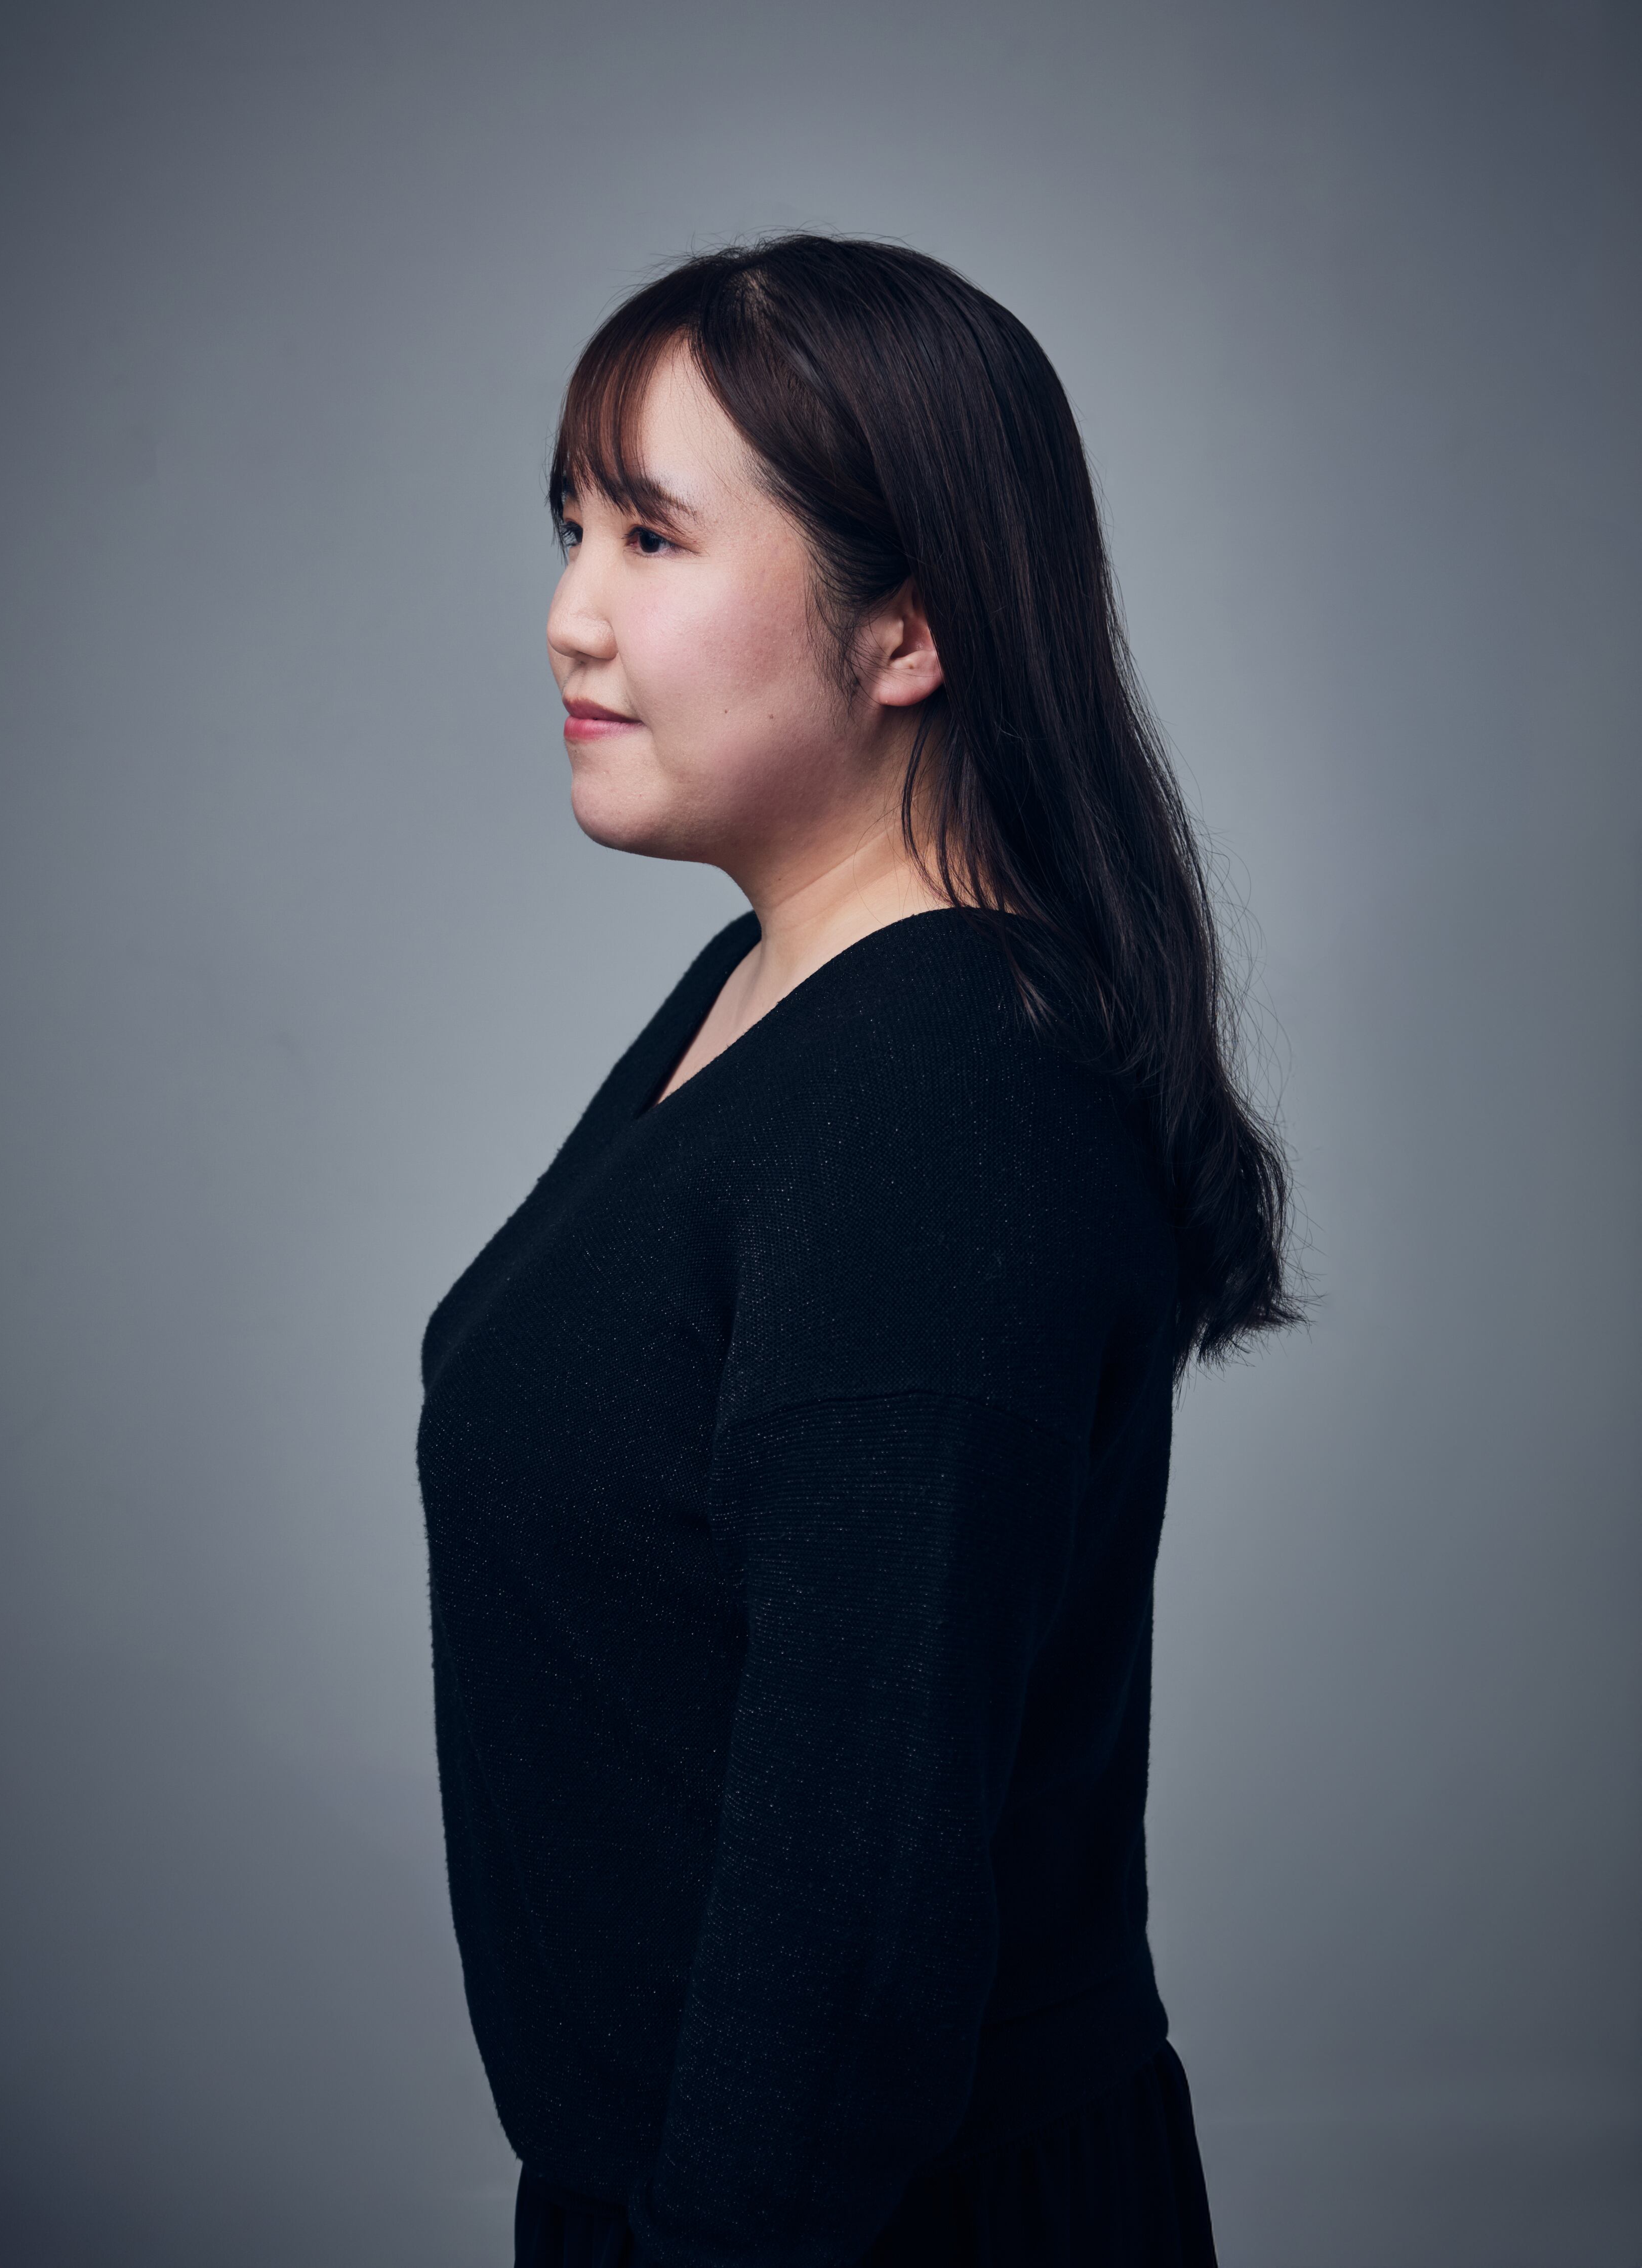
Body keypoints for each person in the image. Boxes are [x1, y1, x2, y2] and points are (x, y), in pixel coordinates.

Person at [416, 233, 1299, 2267]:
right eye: (572, 528)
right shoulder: (783, 989)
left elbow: (854, 1913)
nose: (568, 616)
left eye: (652, 537)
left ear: (906, 630)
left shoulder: (942, 1104)